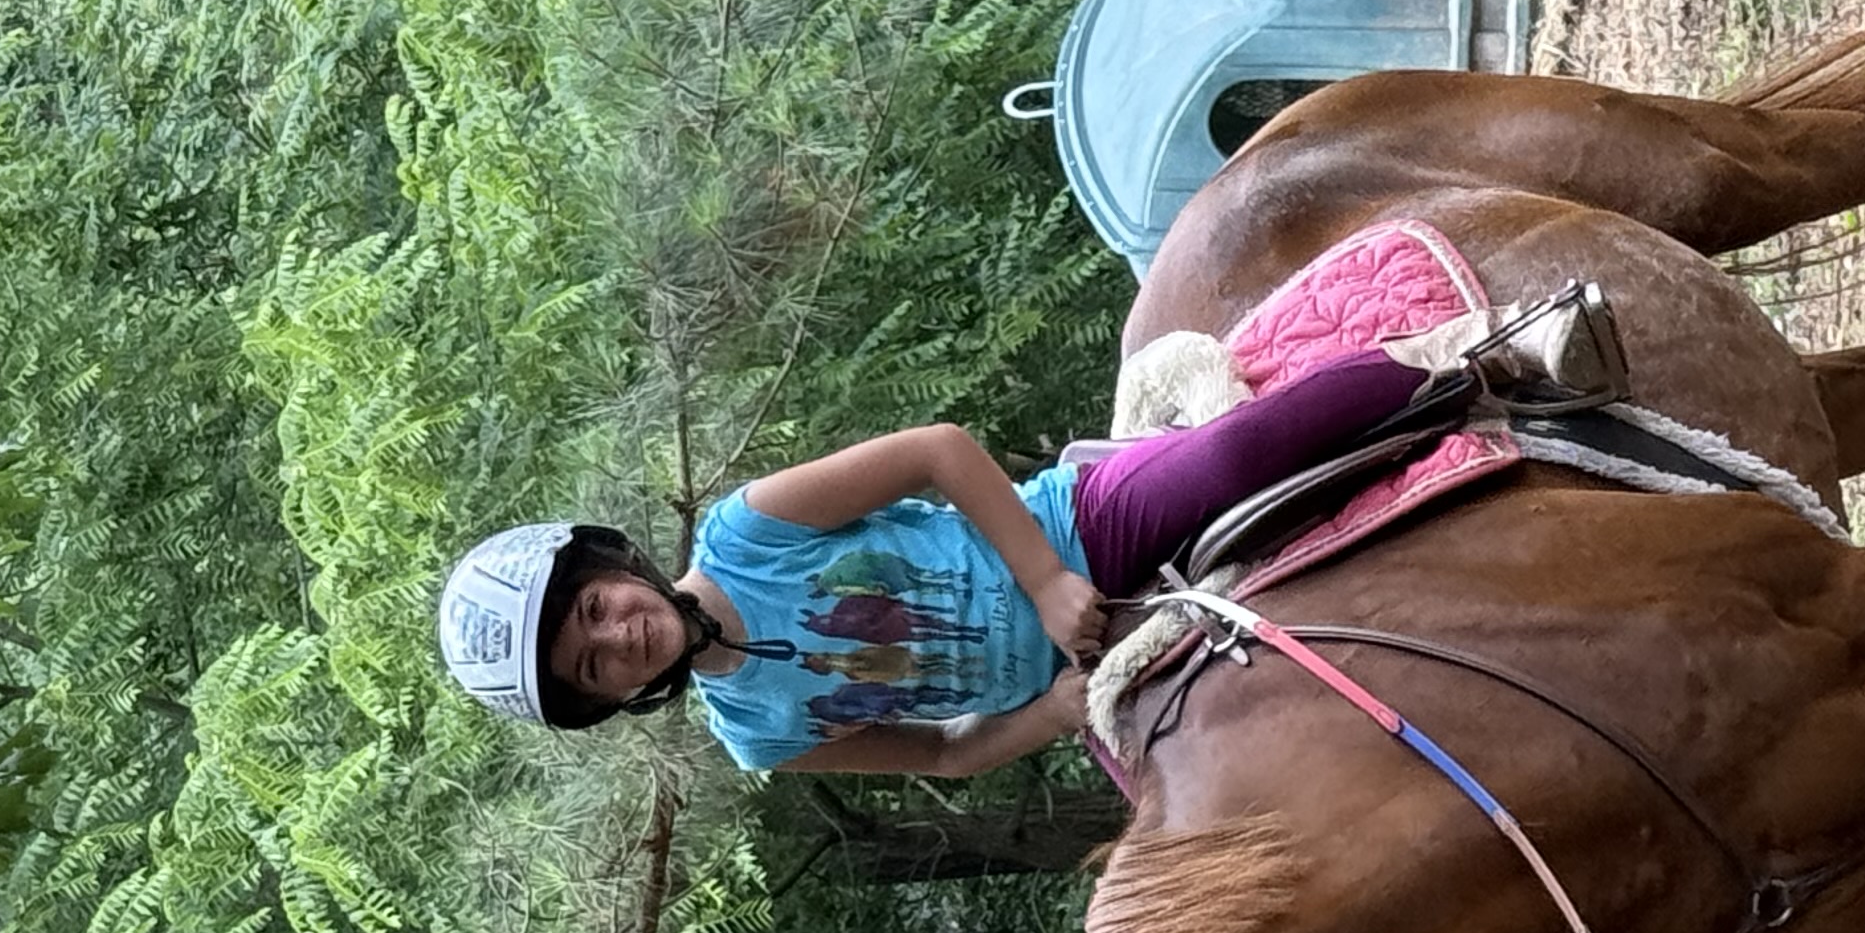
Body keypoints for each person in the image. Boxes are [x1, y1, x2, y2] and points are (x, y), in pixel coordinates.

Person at [435, 287, 1624, 776]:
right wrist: (1054, 710)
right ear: (606, 697)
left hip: (1074, 541)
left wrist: (1051, 579)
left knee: (1229, 459)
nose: (618, 637)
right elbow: (947, 754)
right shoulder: (759, 735)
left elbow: (938, 452)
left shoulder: (751, 532)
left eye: (595, 610)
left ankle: (1477, 357)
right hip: (1077, 677)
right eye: (592, 665)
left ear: (614, 569)